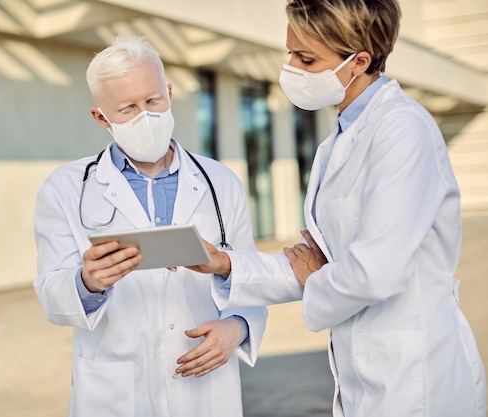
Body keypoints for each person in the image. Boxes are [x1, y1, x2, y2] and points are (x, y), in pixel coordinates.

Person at [186, 1, 487, 416]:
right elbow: (314, 265)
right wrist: (224, 264)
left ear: (359, 61)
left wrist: (318, 277)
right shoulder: (340, 139)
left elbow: (373, 271)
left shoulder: (402, 129)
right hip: (365, 372)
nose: (290, 67)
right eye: (290, 52)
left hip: (416, 376)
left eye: (306, 58)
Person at [32, 35, 267, 417]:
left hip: (205, 388)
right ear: (101, 117)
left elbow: (252, 279)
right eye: (127, 109)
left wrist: (238, 327)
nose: (145, 116)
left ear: (169, 94)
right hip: (116, 392)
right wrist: (87, 282)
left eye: (153, 101)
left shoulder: (220, 182)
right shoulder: (65, 188)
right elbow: (51, 295)